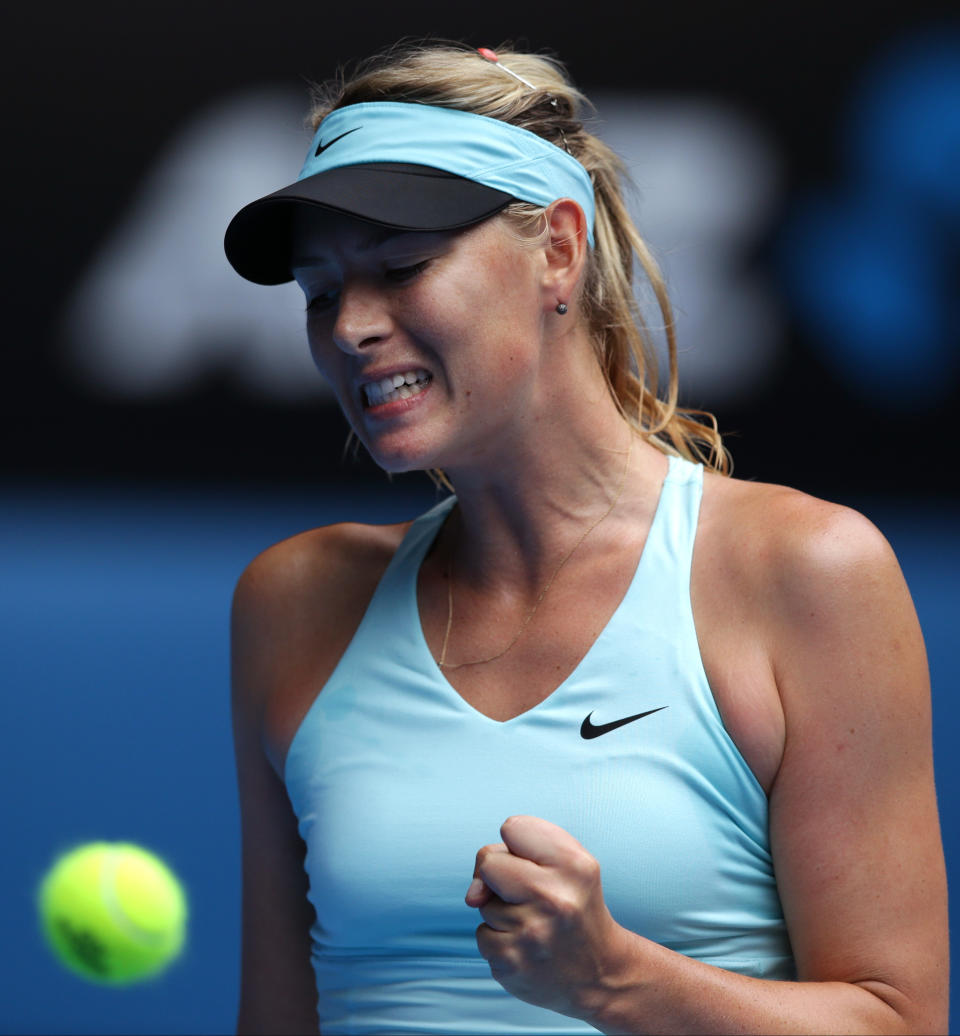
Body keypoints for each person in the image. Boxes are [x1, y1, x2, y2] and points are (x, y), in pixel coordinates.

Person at [223, 40, 949, 1035]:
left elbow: (896, 1021)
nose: (351, 326)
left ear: (558, 250)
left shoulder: (806, 571)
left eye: (401, 267)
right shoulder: (294, 601)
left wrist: (617, 979)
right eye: (321, 293)